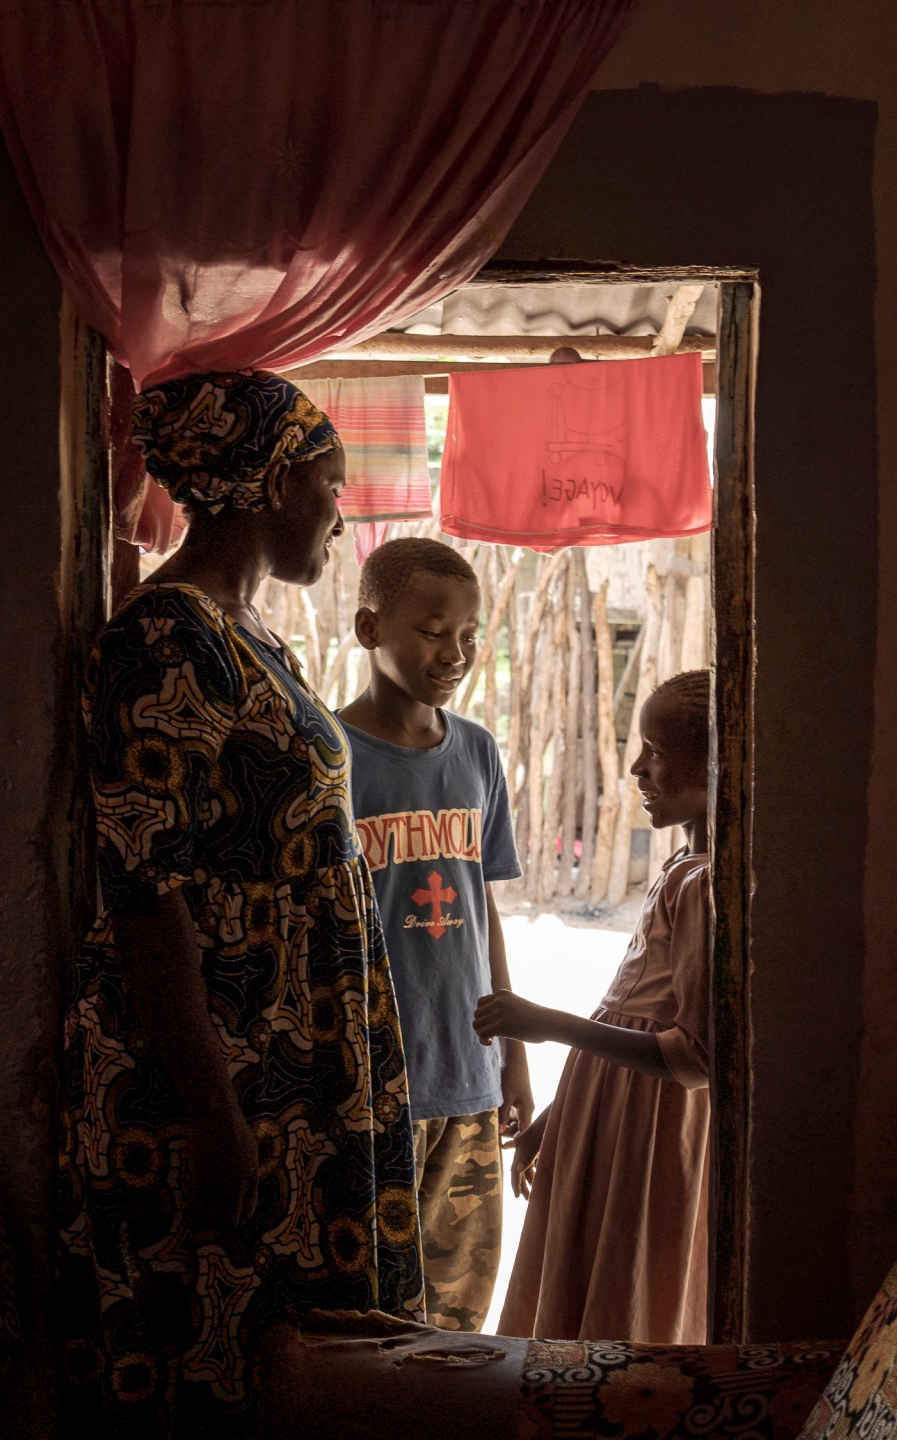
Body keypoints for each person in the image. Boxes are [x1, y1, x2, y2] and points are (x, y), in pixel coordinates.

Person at [58, 370, 423, 1436]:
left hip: (290, 1049)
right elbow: (141, 893)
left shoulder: (248, 634)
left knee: (304, 1354)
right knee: (221, 1350)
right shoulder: (163, 641)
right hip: (230, 1057)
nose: (340, 511)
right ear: (266, 483)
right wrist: (212, 1112)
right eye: (329, 482)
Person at [474, 668, 715, 1343]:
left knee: (620, 1290)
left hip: (648, 1128)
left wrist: (545, 1023)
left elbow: (693, 1058)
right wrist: (560, 1115)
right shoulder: (680, 867)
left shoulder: (704, 885)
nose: (637, 767)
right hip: (615, 1113)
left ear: (718, 765)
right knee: (587, 1280)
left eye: (657, 752)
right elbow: (627, 1012)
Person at [335, 537, 534, 1331]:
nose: (455, 653)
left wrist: (513, 1056)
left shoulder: (477, 753)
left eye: (469, 634)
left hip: (470, 1076)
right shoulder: (334, 759)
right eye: (432, 630)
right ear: (368, 629)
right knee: (373, 1317)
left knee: (459, 1316)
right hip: (374, 1088)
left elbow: (484, 914)